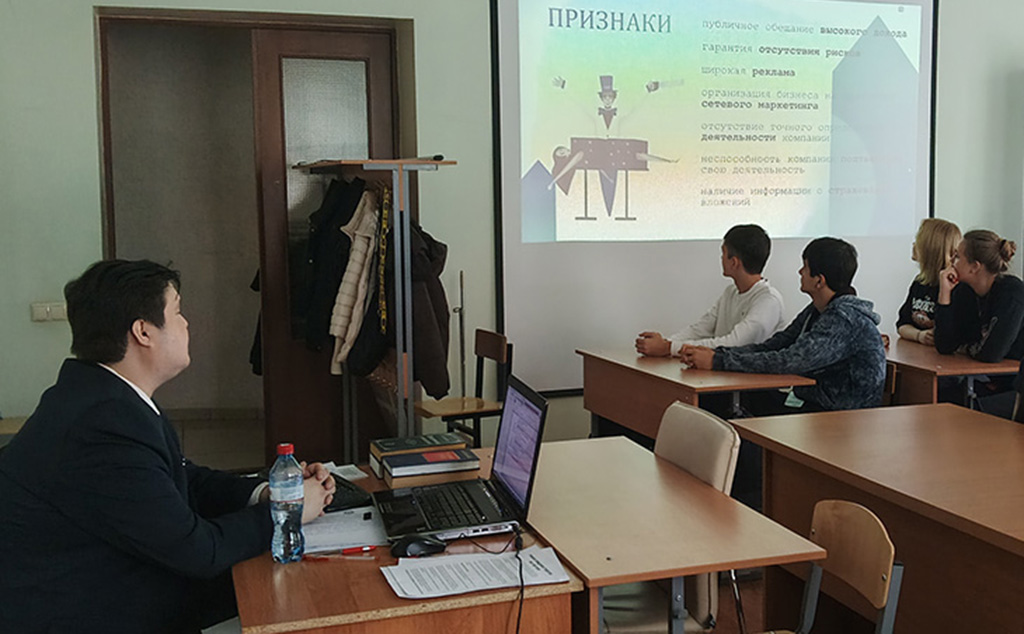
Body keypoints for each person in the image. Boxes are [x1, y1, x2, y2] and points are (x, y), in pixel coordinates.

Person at [0, 260, 336, 634]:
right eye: (177, 312)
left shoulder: (103, 397)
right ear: (143, 331)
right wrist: (286, 511)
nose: (186, 323)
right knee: (305, 597)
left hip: (117, 583)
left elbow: (183, 478)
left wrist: (269, 492)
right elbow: (198, 551)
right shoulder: (101, 425)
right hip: (85, 609)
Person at [681, 237, 886, 414]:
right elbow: (776, 344)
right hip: (812, 402)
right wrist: (718, 354)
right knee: (730, 398)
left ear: (819, 281)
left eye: (805, 267)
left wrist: (718, 361)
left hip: (839, 415)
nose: (800, 271)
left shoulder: (844, 319)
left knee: (732, 403)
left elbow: (789, 361)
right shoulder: (818, 309)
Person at [635, 224, 785, 358]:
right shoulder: (730, 292)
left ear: (734, 262)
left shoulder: (768, 300)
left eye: (723, 253)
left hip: (750, 380)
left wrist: (668, 348)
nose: (721, 258)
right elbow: (701, 329)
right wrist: (665, 343)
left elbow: (734, 344)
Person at [934, 230, 1024, 413]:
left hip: (1013, 384)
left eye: (958, 257)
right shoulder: (964, 290)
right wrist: (944, 293)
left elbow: (991, 353)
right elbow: (945, 345)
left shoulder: (1012, 293)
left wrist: (965, 348)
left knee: (959, 405)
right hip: (985, 378)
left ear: (974, 267)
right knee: (941, 393)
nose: (952, 262)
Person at [897, 218, 961, 346]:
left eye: (918, 241)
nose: (914, 244)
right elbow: (902, 325)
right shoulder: (919, 282)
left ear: (929, 249)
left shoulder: (956, 287)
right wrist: (919, 335)